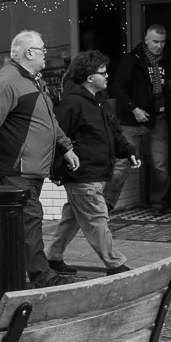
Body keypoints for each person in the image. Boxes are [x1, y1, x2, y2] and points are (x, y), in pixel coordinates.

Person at [0, 30, 80, 289]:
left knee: (13, 223)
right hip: (13, 168)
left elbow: (49, 121)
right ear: (29, 53)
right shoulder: (6, 81)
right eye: (43, 49)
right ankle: (42, 276)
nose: (46, 55)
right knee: (30, 219)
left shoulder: (32, 81)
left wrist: (66, 147)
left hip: (29, 168)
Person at [46, 52, 139, 277]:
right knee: (97, 219)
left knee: (71, 219)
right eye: (103, 73)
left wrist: (127, 151)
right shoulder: (72, 104)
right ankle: (115, 265)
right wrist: (59, 168)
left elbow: (114, 131)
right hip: (82, 175)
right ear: (89, 78)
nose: (107, 76)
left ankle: (52, 257)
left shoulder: (99, 102)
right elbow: (56, 138)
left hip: (95, 173)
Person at [108, 23, 171, 213]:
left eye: (162, 42)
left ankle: (158, 204)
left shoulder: (170, 60)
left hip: (159, 118)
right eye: (155, 42)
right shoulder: (132, 60)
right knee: (122, 164)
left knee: (160, 165)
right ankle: (106, 203)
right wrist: (134, 108)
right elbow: (118, 88)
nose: (159, 46)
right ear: (146, 41)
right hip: (132, 121)